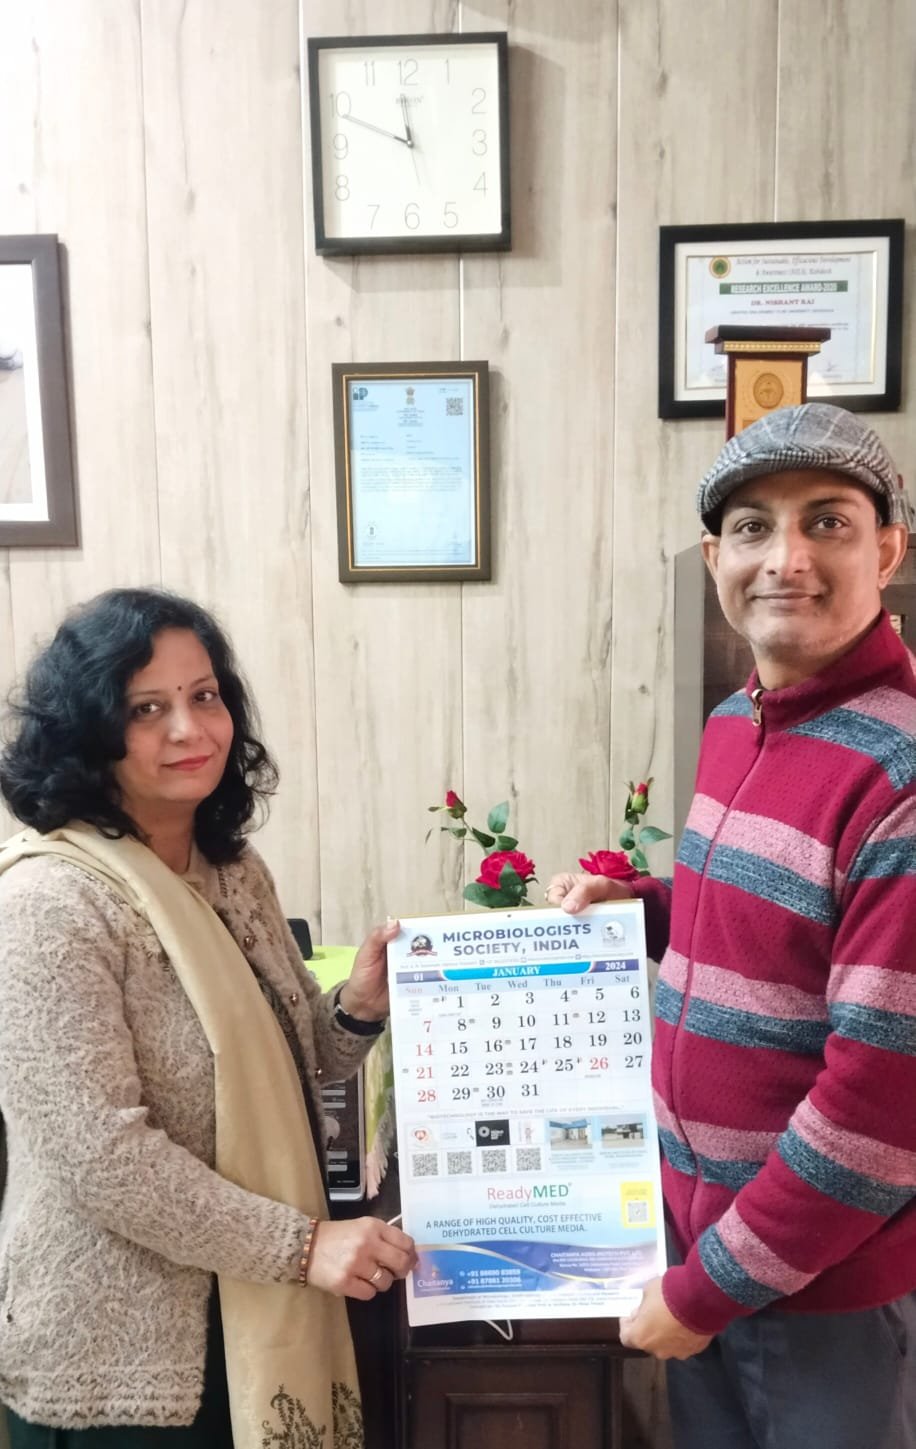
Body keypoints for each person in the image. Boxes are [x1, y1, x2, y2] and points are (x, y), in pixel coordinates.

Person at [548, 403, 916, 1448]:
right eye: (753, 527)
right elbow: (785, 936)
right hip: (705, 1250)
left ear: (888, 550)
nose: (785, 558)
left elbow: (879, 1111)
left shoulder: (899, 776)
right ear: (716, 558)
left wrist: (706, 1289)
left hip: (819, 1295)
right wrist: (651, 908)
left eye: (827, 522)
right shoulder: (735, 721)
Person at [0, 588, 416, 1448]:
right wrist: (303, 1247)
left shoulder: (231, 868)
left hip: (258, 1306)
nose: (190, 729)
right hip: (123, 1367)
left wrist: (358, 1007)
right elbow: (102, 1160)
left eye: (204, 695)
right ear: (88, 730)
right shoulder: (49, 902)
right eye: (146, 708)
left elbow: (290, 1060)